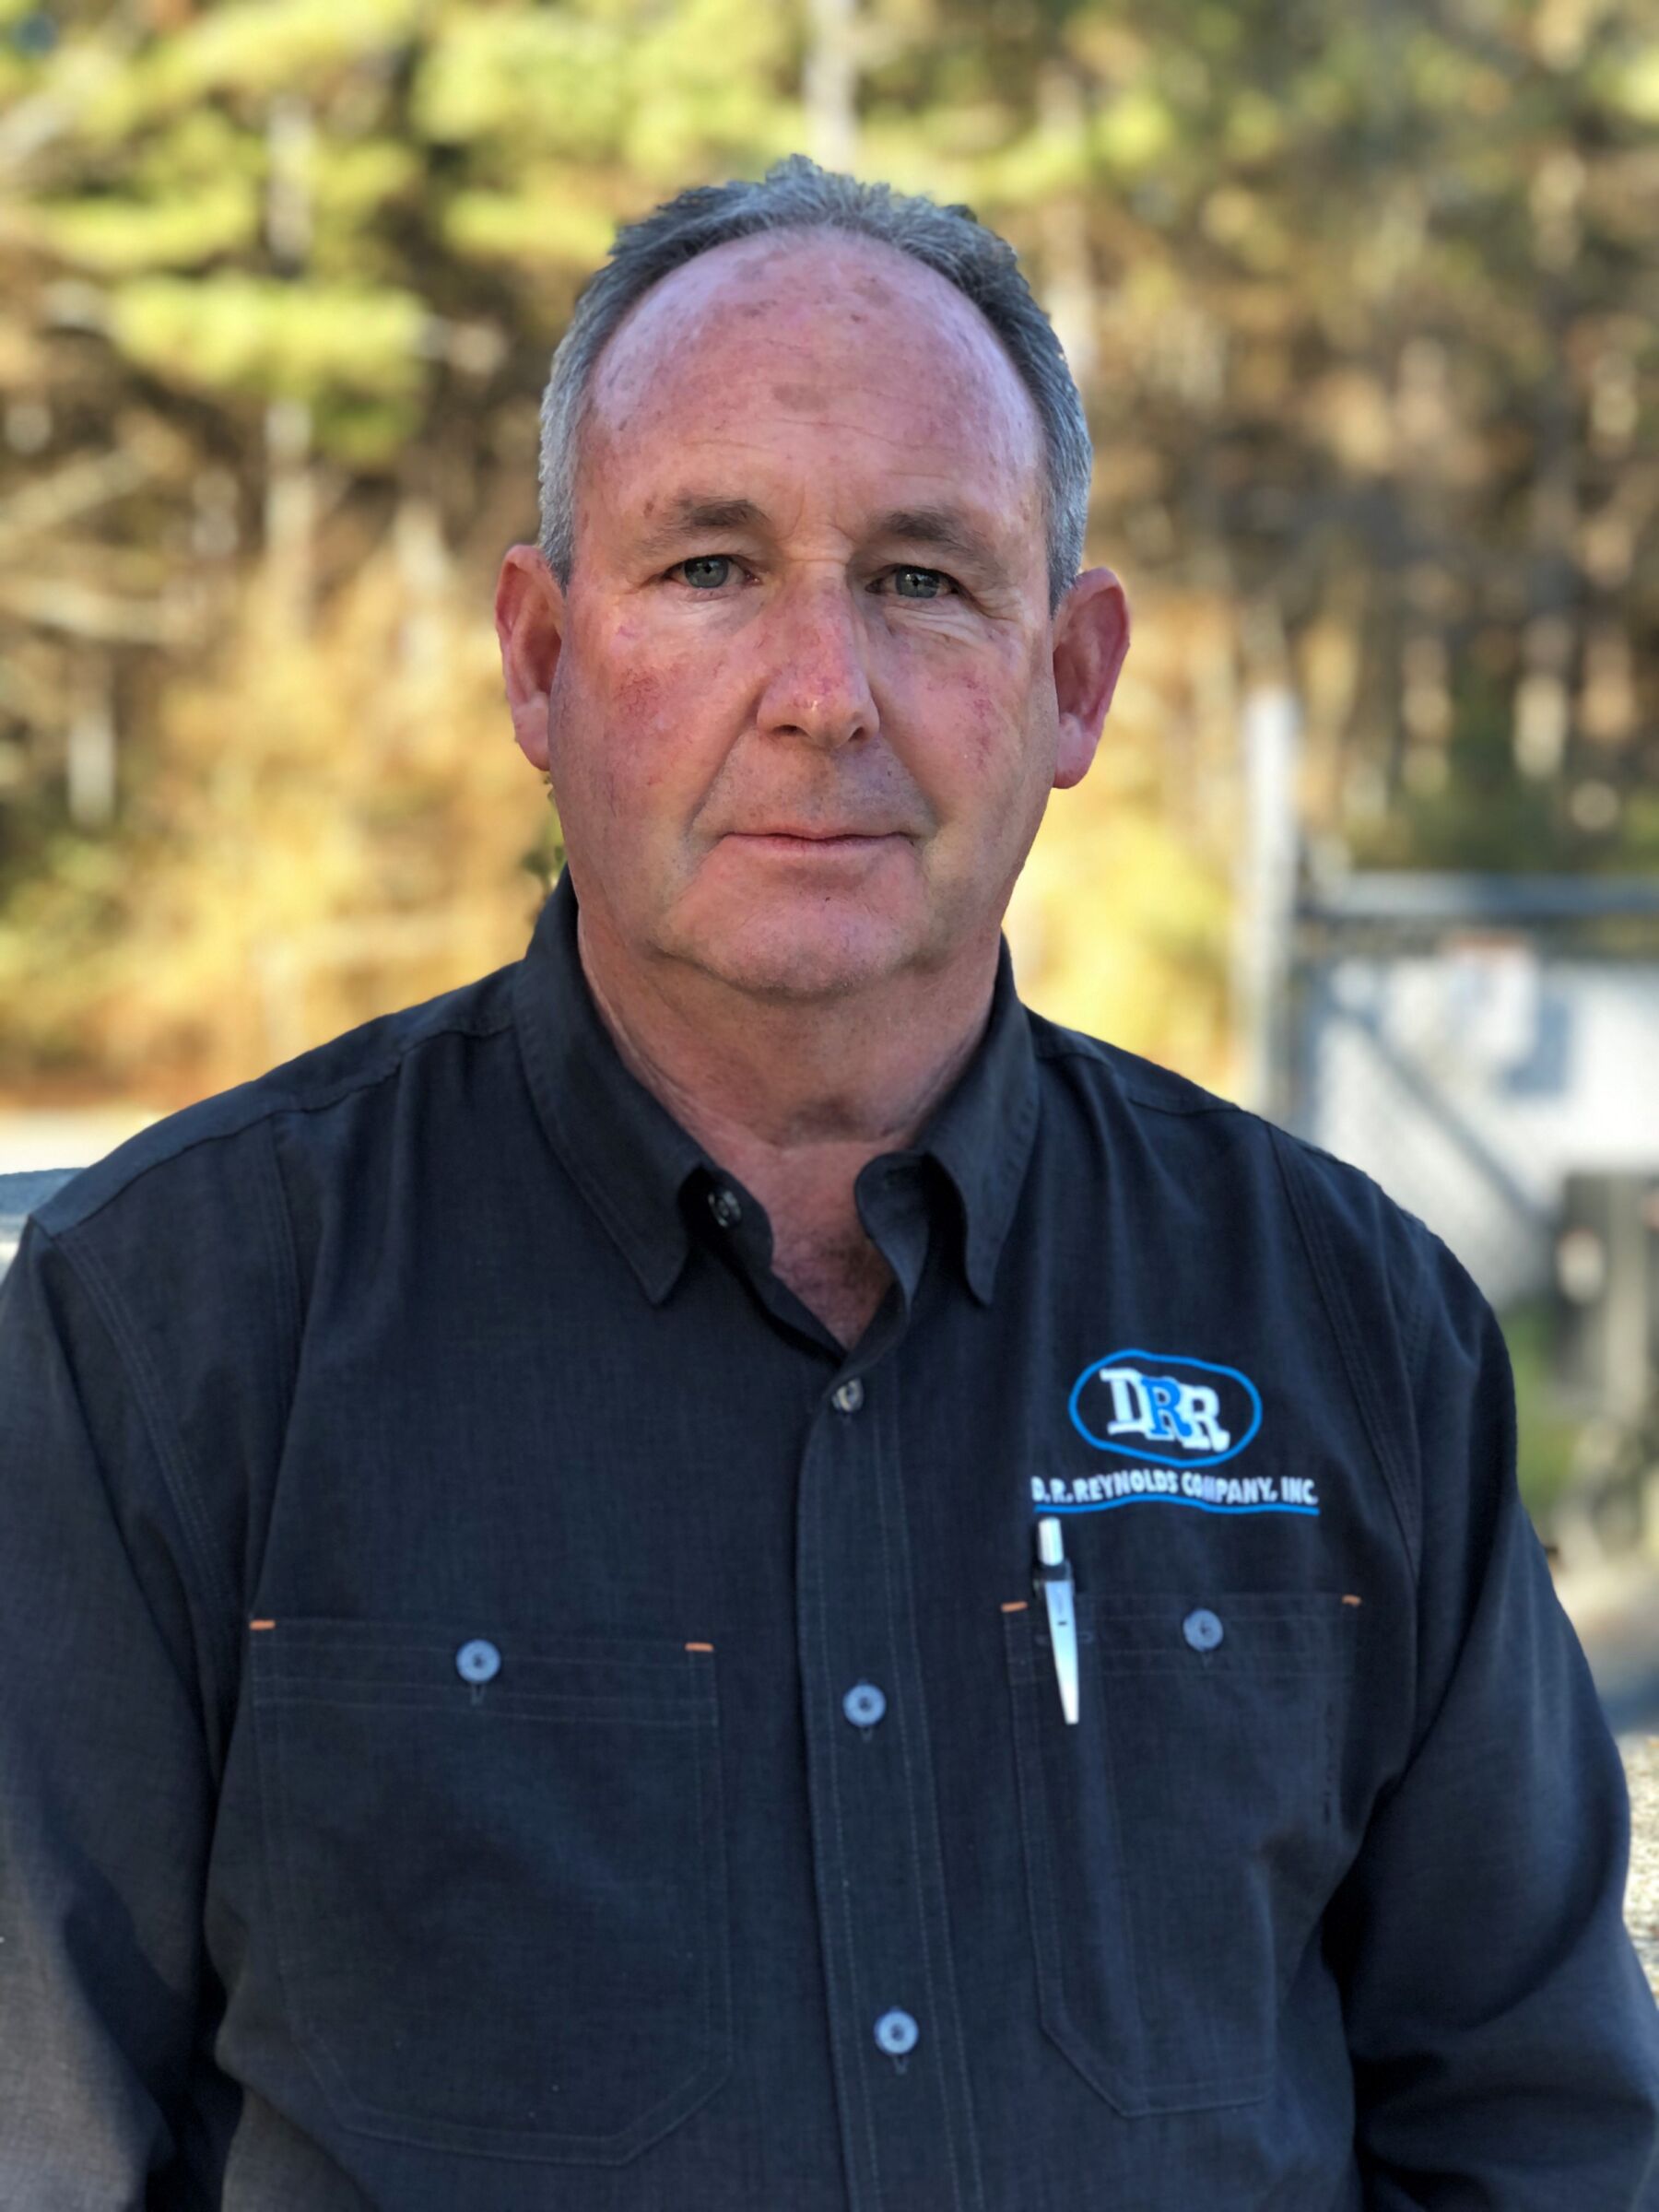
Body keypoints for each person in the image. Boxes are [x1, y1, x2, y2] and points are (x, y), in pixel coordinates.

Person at [0, 156, 1653, 2212]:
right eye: (707, 567)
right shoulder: (163, 1330)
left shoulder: (1351, 1333)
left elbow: (1543, 2136)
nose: (820, 693)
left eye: (923, 579)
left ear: (1072, 682)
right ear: (538, 660)